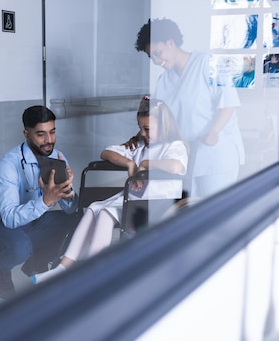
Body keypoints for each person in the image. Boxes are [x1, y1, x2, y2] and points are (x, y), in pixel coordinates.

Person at [31, 97, 188, 284]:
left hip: (155, 202)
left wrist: (145, 164)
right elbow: (106, 153)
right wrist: (131, 163)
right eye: (140, 128)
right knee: (93, 209)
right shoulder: (139, 146)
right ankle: (64, 268)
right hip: (134, 199)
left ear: (163, 125)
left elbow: (177, 167)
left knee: (104, 211)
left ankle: (93, 272)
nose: (143, 133)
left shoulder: (174, 146)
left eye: (148, 129)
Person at [133, 18, 244, 200]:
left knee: (215, 213)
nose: (156, 60)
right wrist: (139, 137)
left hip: (214, 155)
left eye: (158, 53)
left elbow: (228, 102)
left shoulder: (208, 64)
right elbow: (159, 117)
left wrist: (213, 131)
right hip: (185, 159)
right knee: (192, 215)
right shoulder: (164, 81)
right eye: (152, 57)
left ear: (171, 43)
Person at [0, 105, 79, 299]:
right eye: (41, 134)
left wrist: (67, 193)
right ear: (26, 133)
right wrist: (45, 200)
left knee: (81, 219)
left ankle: (38, 262)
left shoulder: (57, 158)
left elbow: (70, 209)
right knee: (20, 248)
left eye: (52, 132)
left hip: (33, 222)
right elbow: (8, 218)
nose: (49, 140)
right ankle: (1, 268)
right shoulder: (8, 164)